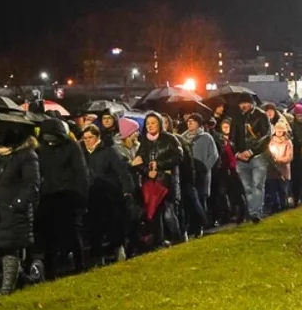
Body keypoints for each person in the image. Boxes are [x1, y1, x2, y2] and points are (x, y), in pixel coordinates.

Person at [0, 133, 40, 295]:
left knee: (10, 248)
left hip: (13, 211)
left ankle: (6, 291)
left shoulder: (26, 156)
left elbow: (32, 184)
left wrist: (17, 204)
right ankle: (26, 279)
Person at [35, 118, 89, 275]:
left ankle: (80, 266)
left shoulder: (72, 147)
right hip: (49, 196)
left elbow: (81, 173)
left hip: (69, 196)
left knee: (72, 232)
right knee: (49, 235)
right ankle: (51, 270)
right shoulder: (42, 149)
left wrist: (82, 198)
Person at [81, 124, 133, 263]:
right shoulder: (82, 154)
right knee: (94, 227)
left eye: (90, 137)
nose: (87, 141)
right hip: (91, 195)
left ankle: (118, 249)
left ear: (97, 137)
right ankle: (97, 257)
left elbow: (121, 171)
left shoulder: (109, 152)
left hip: (109, 194)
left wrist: (127, 189)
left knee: (113, 224)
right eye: (85, 138)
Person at [133, 112, 183, 246]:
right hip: (149, 182)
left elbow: (178, 157)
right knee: (154, 213)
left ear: (160, 123)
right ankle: (158, 241)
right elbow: (138, 162)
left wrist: (159, 165)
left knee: (168, 211)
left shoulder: (170, 139)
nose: (150, 126)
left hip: (166, 181)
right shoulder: (144, 142)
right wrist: (147, 172)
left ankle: (176, 238)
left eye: (153, 123)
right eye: (148, 123)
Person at [229, 95, 272, 223]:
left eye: (246, 103)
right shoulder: (236, 118)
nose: (243, 106)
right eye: (241, 103)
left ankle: (255, 212)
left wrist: (252, 151)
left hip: (258, 156)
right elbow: (232, 139)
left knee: (257, 185)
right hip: (242, 158)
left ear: (252, 103)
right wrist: (237, 154)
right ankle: (253, 212)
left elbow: (266, 136)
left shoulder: (261, 116)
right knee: (248, 187)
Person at [182, 113, 218, 237]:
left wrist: (205, 168)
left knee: (201, 199)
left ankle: (200, 226)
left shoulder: (206, 137)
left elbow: (214, 155)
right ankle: (191, 227)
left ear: (199, 123)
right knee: (190, 201)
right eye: (188, 121)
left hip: (202, 174)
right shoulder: (183, 138)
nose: (189, 123)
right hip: (188, 174)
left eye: (192, 121)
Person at [266, 116, 293, 212]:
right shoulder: (271, 142)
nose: (279, 133)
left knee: (283, 189)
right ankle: (275, 207)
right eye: (277, 131)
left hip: (284, 169)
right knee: (273, 189)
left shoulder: (287, 142)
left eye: (281, 131)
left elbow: (289, 156)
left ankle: (284, 206)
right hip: (272, 170)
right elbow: (268, 154)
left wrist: (280, 160)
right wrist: (273, 160)